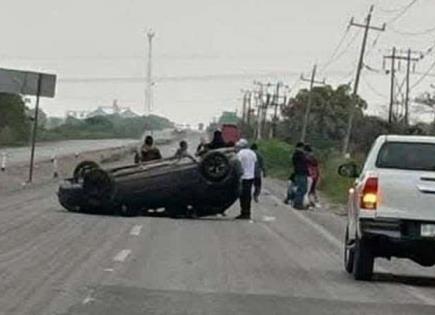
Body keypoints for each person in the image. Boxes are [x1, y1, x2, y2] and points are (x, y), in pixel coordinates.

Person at [235, 139, 257, 220]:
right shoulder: (252, 153)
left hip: (243, 177)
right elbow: (255, 162)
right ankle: (247, 212)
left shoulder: (240, 153)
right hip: (251, 177)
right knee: (248, 195)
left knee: (242, 196)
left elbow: (237, 164)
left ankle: (244, 212)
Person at [291, 142, 309, 210]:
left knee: (303, 189)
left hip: (301, 173)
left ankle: (298, 203)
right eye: (302, 148)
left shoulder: (298, 154)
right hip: (301, 173)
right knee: (301, 189)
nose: (303, 149)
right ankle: (297, 203)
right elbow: (306, 160)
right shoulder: (298, 154)